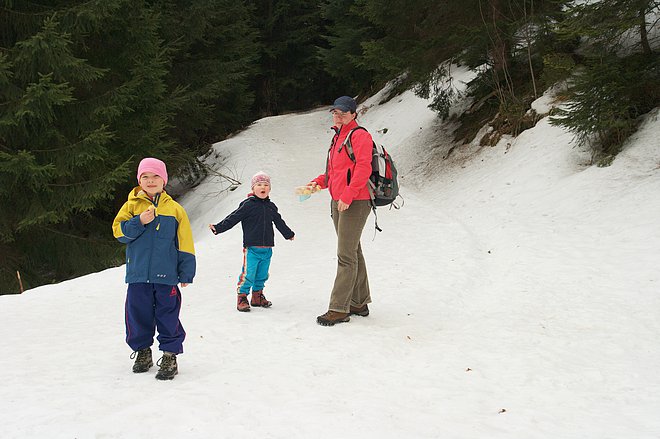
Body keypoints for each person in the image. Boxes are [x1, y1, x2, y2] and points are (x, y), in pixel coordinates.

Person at [112, 157, 196, 380]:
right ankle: (142, 352)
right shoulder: (130, 206)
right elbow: (119, 233)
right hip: (138, 275)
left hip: (166, 276)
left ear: (164, 180)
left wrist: (186, 271)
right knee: (137, 314)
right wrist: (139, 220)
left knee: (168, 315)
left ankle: (170, 355)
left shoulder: (175, 210)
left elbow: (184, 242)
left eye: (155, 176)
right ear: (139, 180)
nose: (150, 181)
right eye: (145, 177)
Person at [306, 96, 373, 326]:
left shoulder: (360, 135)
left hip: (355, 201)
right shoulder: (337, 138)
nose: (338, 116)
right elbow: (335, 173)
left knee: (345, 255)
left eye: (343, 113)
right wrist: (317, 183)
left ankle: (338, 308)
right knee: (353, 251)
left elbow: (363, 168)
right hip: (339, 201)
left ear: (354, 114)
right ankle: (358, 302)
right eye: (335, 113)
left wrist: (348, 195)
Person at [209, 171, 294, 312]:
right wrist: (218, 228)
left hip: (267, 248)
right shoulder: (248, 205)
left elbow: (279, 222)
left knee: (262, 274)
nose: (263, 187)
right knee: (248, 274)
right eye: (259, 184)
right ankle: (242, 296)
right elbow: (233, 218)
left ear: (269, 189)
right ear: (253, 188)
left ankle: (257, 297)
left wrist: (288, 234)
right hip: (252, 248)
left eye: (266, 185)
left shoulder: (271, 206)